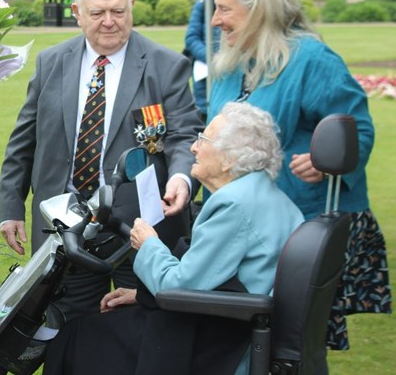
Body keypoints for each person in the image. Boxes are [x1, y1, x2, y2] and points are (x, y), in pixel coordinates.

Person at [0, 0, 203, 324]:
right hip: (65, 226)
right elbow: (24, 139)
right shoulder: (51, 62)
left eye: (118, 11)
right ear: (77, 14)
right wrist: (11, 204)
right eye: (97, 13)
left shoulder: (166, 66)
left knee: (141, 328)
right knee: (62, 328)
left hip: (140, 229)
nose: (109, 21)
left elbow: (185, 134)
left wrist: (182, 178)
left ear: (132, 7)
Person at [207, 0, 391, 349]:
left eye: (224, 9)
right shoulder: (229, 62)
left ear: (258, 10)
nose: (214, 21)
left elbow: (356, 129)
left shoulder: (311, 60)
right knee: (240, 343)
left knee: (291, 345)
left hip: (293, 229)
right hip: (237, 227)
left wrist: (325, 164)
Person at [43, 102, 305, 375]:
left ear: (230, 159)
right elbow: (207, 278)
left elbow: (181, 287)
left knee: (78, 334)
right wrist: (139, 294)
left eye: (203, 139)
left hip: (222, 342)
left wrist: (148, 244)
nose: (193, 147)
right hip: (233, 323)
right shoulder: (262, 191)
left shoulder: (233, 204)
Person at [183, 0, 231, 122]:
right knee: (205, 114)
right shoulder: (203, 6)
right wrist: (211, 59)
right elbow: (191, 38)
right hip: (205, 72)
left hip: (231, 67)